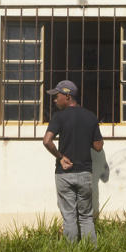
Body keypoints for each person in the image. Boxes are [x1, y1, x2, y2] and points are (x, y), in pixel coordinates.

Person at [42, 80, 103, 243]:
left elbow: (47, 141)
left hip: (64, 174)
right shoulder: (91, 117)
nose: (55, 100)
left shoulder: (59, 117)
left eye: (57, 96)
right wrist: (85, 138)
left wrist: (60, 157)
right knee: (86, 217)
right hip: (84, 173)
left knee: (69, 217)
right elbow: (98, 146)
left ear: (67, 97)